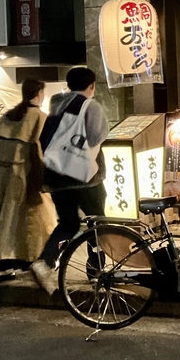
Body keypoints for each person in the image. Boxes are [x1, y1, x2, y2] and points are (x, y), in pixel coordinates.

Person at [30, 67, 109, 294]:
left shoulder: (55, 107)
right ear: (91, 85)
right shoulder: (90, 106)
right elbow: (96, 136)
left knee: (68, 223)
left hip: (58, 178)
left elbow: (45, 140)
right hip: (86, 178)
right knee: (99, 224)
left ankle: (45, 262)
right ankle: (97, 273)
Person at [0, 78, 55, 280]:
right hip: (23, 175)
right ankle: (30, 261)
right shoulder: (40, 117)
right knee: (31, 220)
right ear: (39, 93)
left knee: (1, 220)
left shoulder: (7, 117)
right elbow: (45, 150)